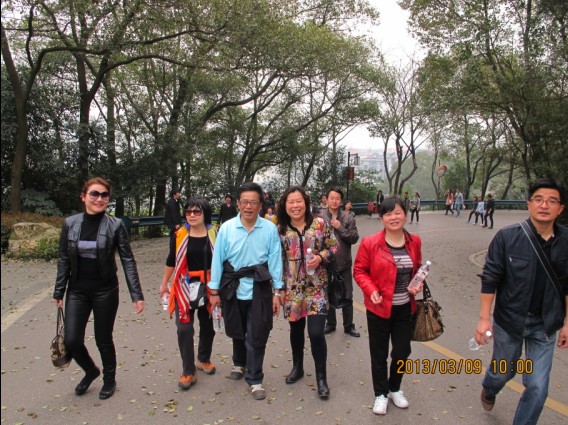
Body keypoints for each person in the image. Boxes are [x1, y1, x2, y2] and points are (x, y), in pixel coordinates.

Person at [474, 178, 567, 425]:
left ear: (560, 208)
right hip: (509, 321)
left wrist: (567, 323)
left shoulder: (566, 242)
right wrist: (484, 319)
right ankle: (489, 388)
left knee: (537, 386)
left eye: (552, 201)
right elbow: (490, 278)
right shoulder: (507, 237)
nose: (544, 205)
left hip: (545, 325)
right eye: (538, 199)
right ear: (529, 204)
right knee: (502, 372)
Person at [53, 177, 145, 400]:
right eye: (94, 194)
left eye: (104, 195)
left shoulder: (115, 225)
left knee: (103, 338)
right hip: (77, 291)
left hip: (105, 291)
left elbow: (128, 260)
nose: (100, 199)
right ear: (83, 196)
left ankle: (109, 379)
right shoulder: (70, 224)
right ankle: (91, 370)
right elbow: (64, 258)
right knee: (72, 340)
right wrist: (59, 291)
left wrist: (136, 295)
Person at [207, 182, 284, 401]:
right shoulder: (227, 228)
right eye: (244, 202)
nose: (248, 206)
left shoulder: (269, 229)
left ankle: (255, 378)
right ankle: (239, 362)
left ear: (261, 205)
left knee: (257, 333)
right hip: (233, 285)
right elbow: (217, 260)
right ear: (238, 204)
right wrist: (214, 291)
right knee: (237, 328)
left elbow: (275, 261)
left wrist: (277, 291)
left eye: (253, 202)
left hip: (260, 286)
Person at [353, 197, 424, 416]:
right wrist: (371, 289)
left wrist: (418, 283)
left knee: (402, 352)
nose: (393, 217)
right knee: (379, 354)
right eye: (388, 214)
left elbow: (418, 267)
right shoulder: (370, 243)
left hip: (405, 308)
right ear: (382, 218)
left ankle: (394, 388)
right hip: (379, 308)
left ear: (405, 215)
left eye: (397, 212)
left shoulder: (414, 241)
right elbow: (359, 270)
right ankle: (381, 394)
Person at [276, 186, 338, 399]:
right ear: (285, 205)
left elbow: (334, 247)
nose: (295, 206)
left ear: (306, 203)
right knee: (296, 330)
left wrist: (320, 257)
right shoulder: (280, 229)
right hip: (292, 288)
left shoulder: (320, 223)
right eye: (291, 202)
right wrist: (278, 289)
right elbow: (276, 260)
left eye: (299, 201)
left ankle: (321, 378)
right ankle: (298, 367)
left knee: (316, 332)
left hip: (317, 287)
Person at [159, 198, 218, 390]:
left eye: (197, 211)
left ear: (205, 214)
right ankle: (188, 370)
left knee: (208, 326)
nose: (192, 215)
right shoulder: (180, 235)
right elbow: (171, 260)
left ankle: (203, 358)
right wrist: (164, 283)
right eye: (188, 212)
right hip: (184, 286)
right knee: (184, 329)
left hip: (209, 286)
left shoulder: (215, 233)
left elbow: (222, 260)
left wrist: (219, 289)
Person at [320, 188, 360, 337]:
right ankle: (330, 323)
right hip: (325, 263)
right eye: (332, 198)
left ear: (341, 201)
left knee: (347, 295)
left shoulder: (348, 218)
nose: (334, 201)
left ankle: (349, 326)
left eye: (337, 198)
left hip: (343, 263)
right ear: (327, 199)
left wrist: (340, 227)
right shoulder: (320, 217)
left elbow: (354, 238)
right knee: (327, 294)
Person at [165, 189, 182, 265]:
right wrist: (176, 224)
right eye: (178, 193)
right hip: (173, 223)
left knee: (174, 237)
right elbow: (173, 214)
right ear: (174, 194)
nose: (179, 194)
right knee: (173, 238)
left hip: (174, 223)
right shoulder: (172, 202)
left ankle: (174, 252)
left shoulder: (175, 201)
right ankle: (172, 253)